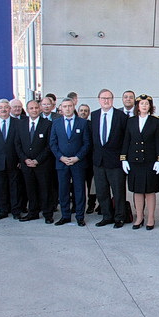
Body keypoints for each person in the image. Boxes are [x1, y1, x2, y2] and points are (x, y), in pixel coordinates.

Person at [121, 95, 159, 230]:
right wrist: (124, 159)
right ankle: (139, 217)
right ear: (137, 106)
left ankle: (150, 217)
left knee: (150, 191)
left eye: (147, 104)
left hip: (150, 161)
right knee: (137, 191)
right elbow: (126, 141)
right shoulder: (131, 121)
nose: (144, 106)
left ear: (150, 106)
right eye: (141, 104)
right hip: (134, 162)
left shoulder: (155, 122)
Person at [49, 97, 91, 226]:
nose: (67, 108)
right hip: (62, 163)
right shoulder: (56, 123)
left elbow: (87, 143)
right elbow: (53, 143)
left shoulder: (82, 123)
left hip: (78, 162)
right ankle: (65, 215)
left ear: (74, 107)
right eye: (65, 106)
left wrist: (77, 157)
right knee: (63, 190)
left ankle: (79, 216)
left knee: (79, 190)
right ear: (61, 108)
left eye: (70, 106)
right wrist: (61, 157)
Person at [90, 89, 129, 228]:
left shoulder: (121, 116)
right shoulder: (94, 115)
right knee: (102, 191)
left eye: (109, 98)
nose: (106, 101)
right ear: (99, 99)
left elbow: (126, 139)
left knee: (118, 191)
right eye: (103, 98)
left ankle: (119, 217)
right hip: (99, 161)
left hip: (116, 161)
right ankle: (107, 216)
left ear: (113, 100)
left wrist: (124, 158)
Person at [14, 99, 54, 223]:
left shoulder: (47, 124)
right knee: (30, 190)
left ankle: (48, 214)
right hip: (27, 165)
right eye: (31, 108)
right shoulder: (21, 124)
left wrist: (37, 160)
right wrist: (25, 159)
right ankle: (33, 213)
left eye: (36, 108)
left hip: (42, 164)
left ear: (40, 108)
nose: (34, 110)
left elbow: (49, 145)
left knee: (45, 190)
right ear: (27, 110)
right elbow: (17, 144)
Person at [0, 99, 22, 221]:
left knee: (15, 187)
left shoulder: (17, 123)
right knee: (0, 187)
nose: (3, 109)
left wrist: (20, 160)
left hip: (14, 161)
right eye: (0, 107)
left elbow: (20, 143)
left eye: (6, 107)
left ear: (9, 109)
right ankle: (3, 210)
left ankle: (16, 210)